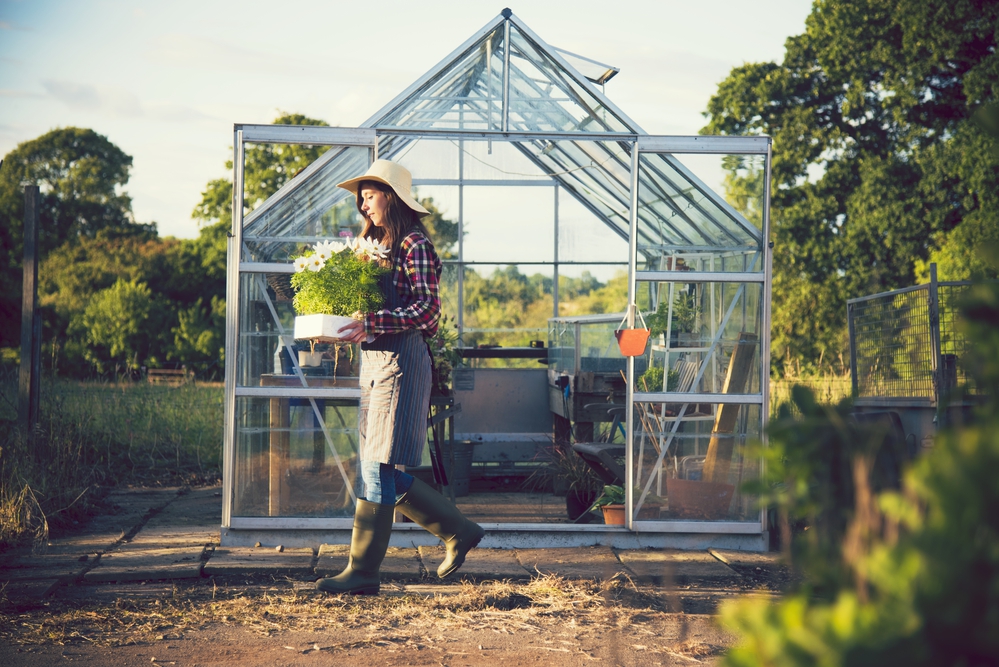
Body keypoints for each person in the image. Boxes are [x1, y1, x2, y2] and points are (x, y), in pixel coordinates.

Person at [315, 159, 484, 595]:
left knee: (376, 465)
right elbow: (370, 310)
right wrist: (346, 324)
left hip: (401, 364)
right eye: (361, 196)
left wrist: (372, 322)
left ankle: (364, 572)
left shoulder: (414, 246)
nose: (362, 204)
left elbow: (427, 310)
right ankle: (458, 530)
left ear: (390, 196)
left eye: (369, 195)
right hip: (375, 364)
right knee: (379, 466)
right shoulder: (374, 249)